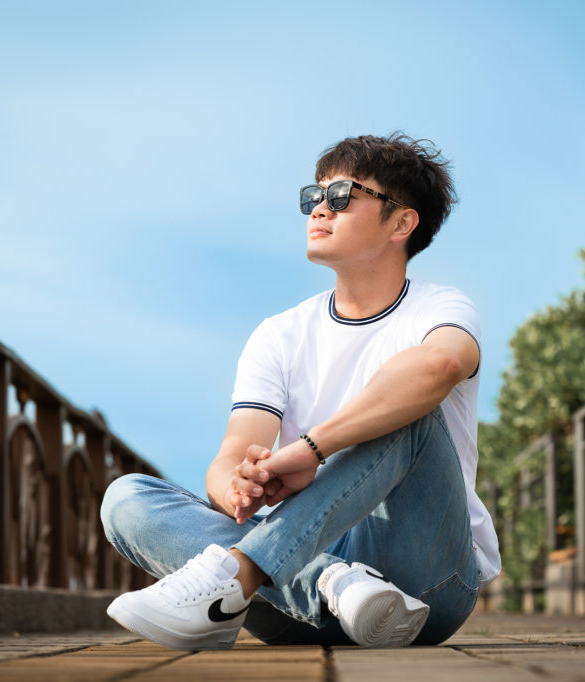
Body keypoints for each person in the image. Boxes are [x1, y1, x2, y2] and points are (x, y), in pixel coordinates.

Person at [100, 133, 500, 650]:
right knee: (125, 498)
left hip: (423, 588)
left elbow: (442, 363)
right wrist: (239, 487)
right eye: (314, 198)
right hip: (297, 599)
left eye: (341, 197)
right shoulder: (278, 334)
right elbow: (230, 456)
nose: (319, 211)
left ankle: (242, 571)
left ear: (402, 222)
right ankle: (333, 582)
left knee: (411, 412)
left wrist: (311, 449)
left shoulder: (440, 307)